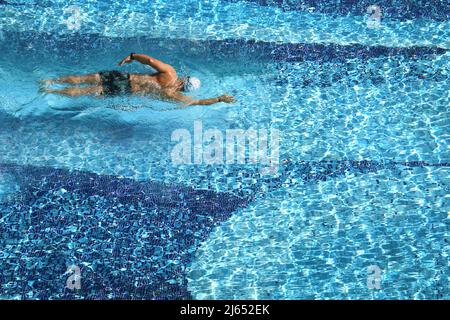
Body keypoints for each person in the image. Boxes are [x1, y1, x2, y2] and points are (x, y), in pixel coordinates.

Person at [40, 53, 235, 107]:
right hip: (126, 91)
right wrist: (218, 99)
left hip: (126, 77)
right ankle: (50, 92)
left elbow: (149, 60)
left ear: (185, 78)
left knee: (84, 79)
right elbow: (199, 102)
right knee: (88, 91)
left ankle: (49, 82)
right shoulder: (174, 96)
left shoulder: (170, 73)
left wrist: (132, 56)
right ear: (185, 89)